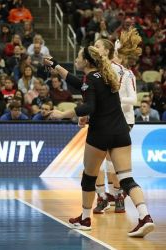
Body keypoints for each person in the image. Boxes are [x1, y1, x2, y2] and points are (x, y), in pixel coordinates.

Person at [44, 45, 154, 237]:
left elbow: (89, 106)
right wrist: (56, 66)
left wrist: (62, 114)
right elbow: (79, 83)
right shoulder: (105, 76)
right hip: (120, 131)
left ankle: (86, 218)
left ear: (86, 61)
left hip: (100, 133)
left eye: (78, 56)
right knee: (126, 179)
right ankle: (145, 217)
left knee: (89, 177)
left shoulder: (90, 79)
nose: (76, 59)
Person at [92, 28, 141, 214]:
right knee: (107, 160)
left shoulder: (127, 74)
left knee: (111, 160)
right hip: (108, 118)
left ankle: (116, 195)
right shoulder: (103, 71)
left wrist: (116, 101)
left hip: (124, 119)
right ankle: (112, 195)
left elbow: (134, 100)